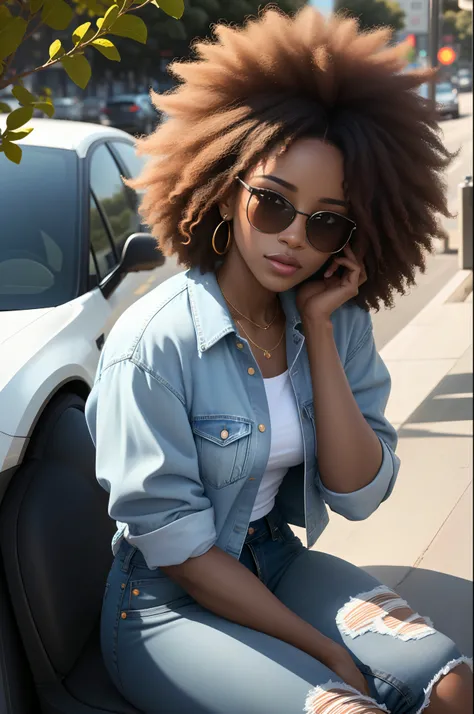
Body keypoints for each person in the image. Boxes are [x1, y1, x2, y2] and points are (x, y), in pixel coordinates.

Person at [85, 7, 473, 714]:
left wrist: (320, 332)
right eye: (272, 204)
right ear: (227, 187)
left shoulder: (335, 318)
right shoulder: (152, 345)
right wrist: (324, 651)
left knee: (452, 686)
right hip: (168, 601)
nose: (294, 237)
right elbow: (183, 554)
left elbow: (357, 496)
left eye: (325, 221)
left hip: (277, 560)